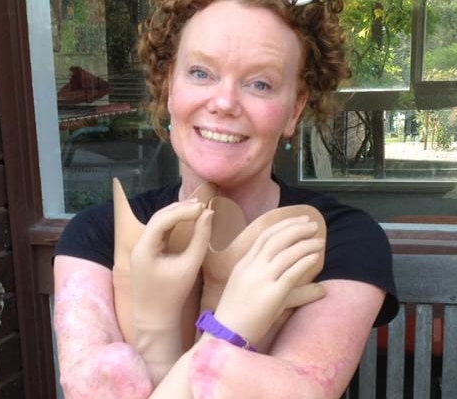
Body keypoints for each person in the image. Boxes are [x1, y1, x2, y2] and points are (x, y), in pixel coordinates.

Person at [52, 0, 399, 398]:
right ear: (169, 87)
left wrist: (218, 330)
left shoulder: (338, 242)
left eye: (260, 84)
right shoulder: (96, 237)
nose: (224, 102)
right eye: (201, 73)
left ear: (294, 109)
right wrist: (189, 325)